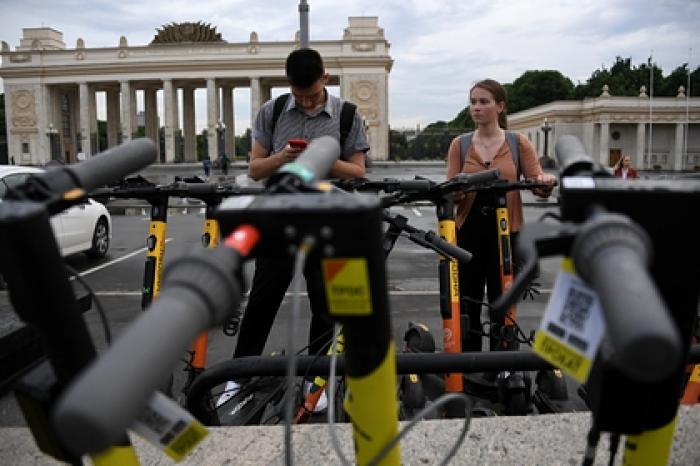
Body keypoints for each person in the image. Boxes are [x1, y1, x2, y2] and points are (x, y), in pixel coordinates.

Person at [218, 48, 369, 409]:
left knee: (324, 303)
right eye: (299, 95)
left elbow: (360, 170)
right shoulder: (272, 111)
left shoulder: (347, 114)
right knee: (262, 300)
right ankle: (238, 377)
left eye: (312, 94)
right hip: (279, 216)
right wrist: (282, 158)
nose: (305, 101)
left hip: (327, 218)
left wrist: (321, 156)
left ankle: (316, 381)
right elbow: (255, 169)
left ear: (325, 80)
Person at [446, 79, 556, 353]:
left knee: (503, 301)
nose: (477, 108)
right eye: (473, 102)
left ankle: (504, 367)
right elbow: (449, 193)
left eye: (484, 102)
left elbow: (538, 184)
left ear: (500, 106)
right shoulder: (459, 145)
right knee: (468, 303)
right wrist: (457, 191)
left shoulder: (518, 143)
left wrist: (545, 181)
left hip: (507, 234)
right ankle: (468, 367)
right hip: (468, 232)